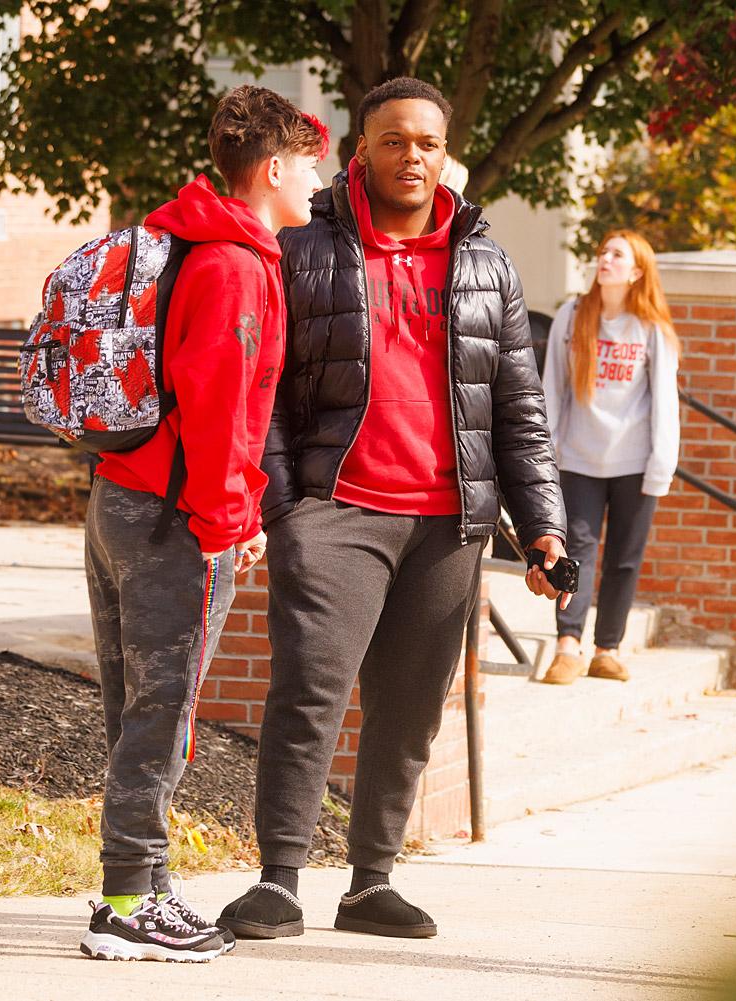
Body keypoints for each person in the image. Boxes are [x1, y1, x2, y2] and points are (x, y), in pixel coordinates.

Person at [216, 76, 571, 942]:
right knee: (310, 691)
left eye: (428, 143)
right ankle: (279, 880)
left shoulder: (485, 261)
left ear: (444, 153)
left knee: (411, 704)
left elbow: (518, 410)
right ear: (360, 151)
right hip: (337, 506)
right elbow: (263, 388)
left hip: (450, 523)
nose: (412, 156)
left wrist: (544, 528)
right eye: (394, 140)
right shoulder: (307, 246)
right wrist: (285, 505)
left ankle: (370, 881)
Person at [77, 85, 326, 962]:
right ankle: (125, 903)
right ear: (271, 169)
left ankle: (138, 882)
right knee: (166, 711)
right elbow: (223, 407)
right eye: (308, 162)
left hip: (121, 493)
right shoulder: (235, 265)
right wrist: (229, 520)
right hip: (175, 517)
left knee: (137, 706)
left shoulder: (189, 239)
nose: (318, 178)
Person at [535, 231, 681, 685]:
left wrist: (661, 466)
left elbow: (664, 403)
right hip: (577, 460)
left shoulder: (651, 328)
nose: (606, 259)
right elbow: (551, 391)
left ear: (637, 271)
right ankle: (567, 644)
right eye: (603, 252)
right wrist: (547, 456)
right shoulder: (572, 316)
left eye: (617, 255)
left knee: (624, 558)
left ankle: (607, 648)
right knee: (573, 552)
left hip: (635, 464)